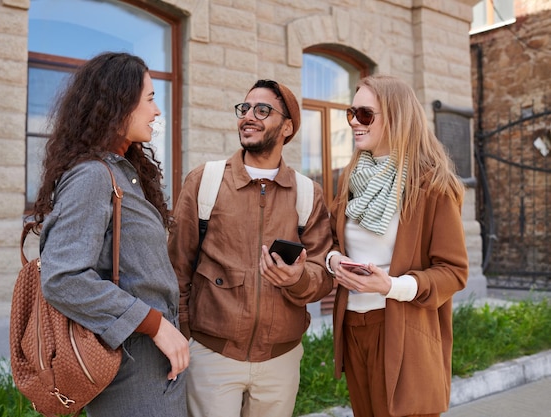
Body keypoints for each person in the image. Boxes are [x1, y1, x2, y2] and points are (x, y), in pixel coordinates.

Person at [30, 52, 189, 417]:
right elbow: (62, 277)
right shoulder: (92, 177)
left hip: (151, 359)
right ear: (119, 103)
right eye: (150, 99)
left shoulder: (122, 172)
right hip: (132, 362)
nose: (157, 111)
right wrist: (155, 325)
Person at [168, 79, 333, 417]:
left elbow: (323, 275)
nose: (248, 117)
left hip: (280, 360)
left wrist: (297, 278)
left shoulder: (307, 193)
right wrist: (186, 336)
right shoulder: (205, 181)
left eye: (262, 110)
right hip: (212, 357)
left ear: (287, 127)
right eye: (244, 109)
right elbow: (176, 266)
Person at [326, 74, 469, 417]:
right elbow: (333, 239)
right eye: (351, 113)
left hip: (404, 329)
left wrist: (391, 286)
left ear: (396, 116)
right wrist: (334, 261)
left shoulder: (432, 184)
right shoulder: (352, 177)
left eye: (365, 115)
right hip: (354, 328)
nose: (354, 123)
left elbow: (454, 271)